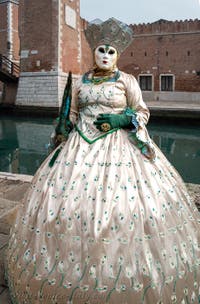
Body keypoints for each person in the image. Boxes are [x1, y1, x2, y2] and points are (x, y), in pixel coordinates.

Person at [5, 18, 200, 304]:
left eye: (111, 51)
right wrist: (63, 128)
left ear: (117, 55)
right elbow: (71, 115)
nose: (106, 56)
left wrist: (124, 118)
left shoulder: (127, 81)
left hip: (120, 147)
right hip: (78, 149)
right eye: (101, 50)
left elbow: (141, 112)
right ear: (93, 53)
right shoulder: (80, 82)